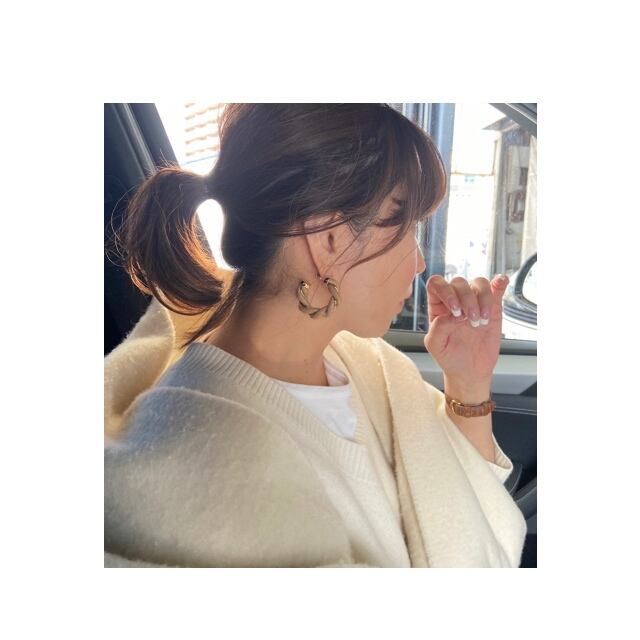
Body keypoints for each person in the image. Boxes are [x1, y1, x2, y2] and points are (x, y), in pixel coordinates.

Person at [105, 103, 526, 568]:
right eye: (405, 225)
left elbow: (465, 514)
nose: (420, 262)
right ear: (327, 239)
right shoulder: (209, 469)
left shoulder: (366, 363)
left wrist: (469, 383)